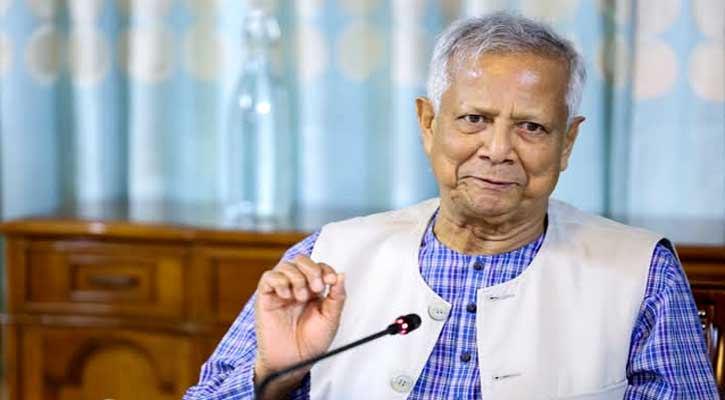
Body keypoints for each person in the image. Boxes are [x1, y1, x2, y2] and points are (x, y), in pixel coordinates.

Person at [184, 12, 718, 400]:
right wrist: (272, 377)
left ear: (567, 142)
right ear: (428, 123)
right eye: (474, 119)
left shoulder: (643, 274)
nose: (498, 150)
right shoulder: (327, 257)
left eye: (531, 127)